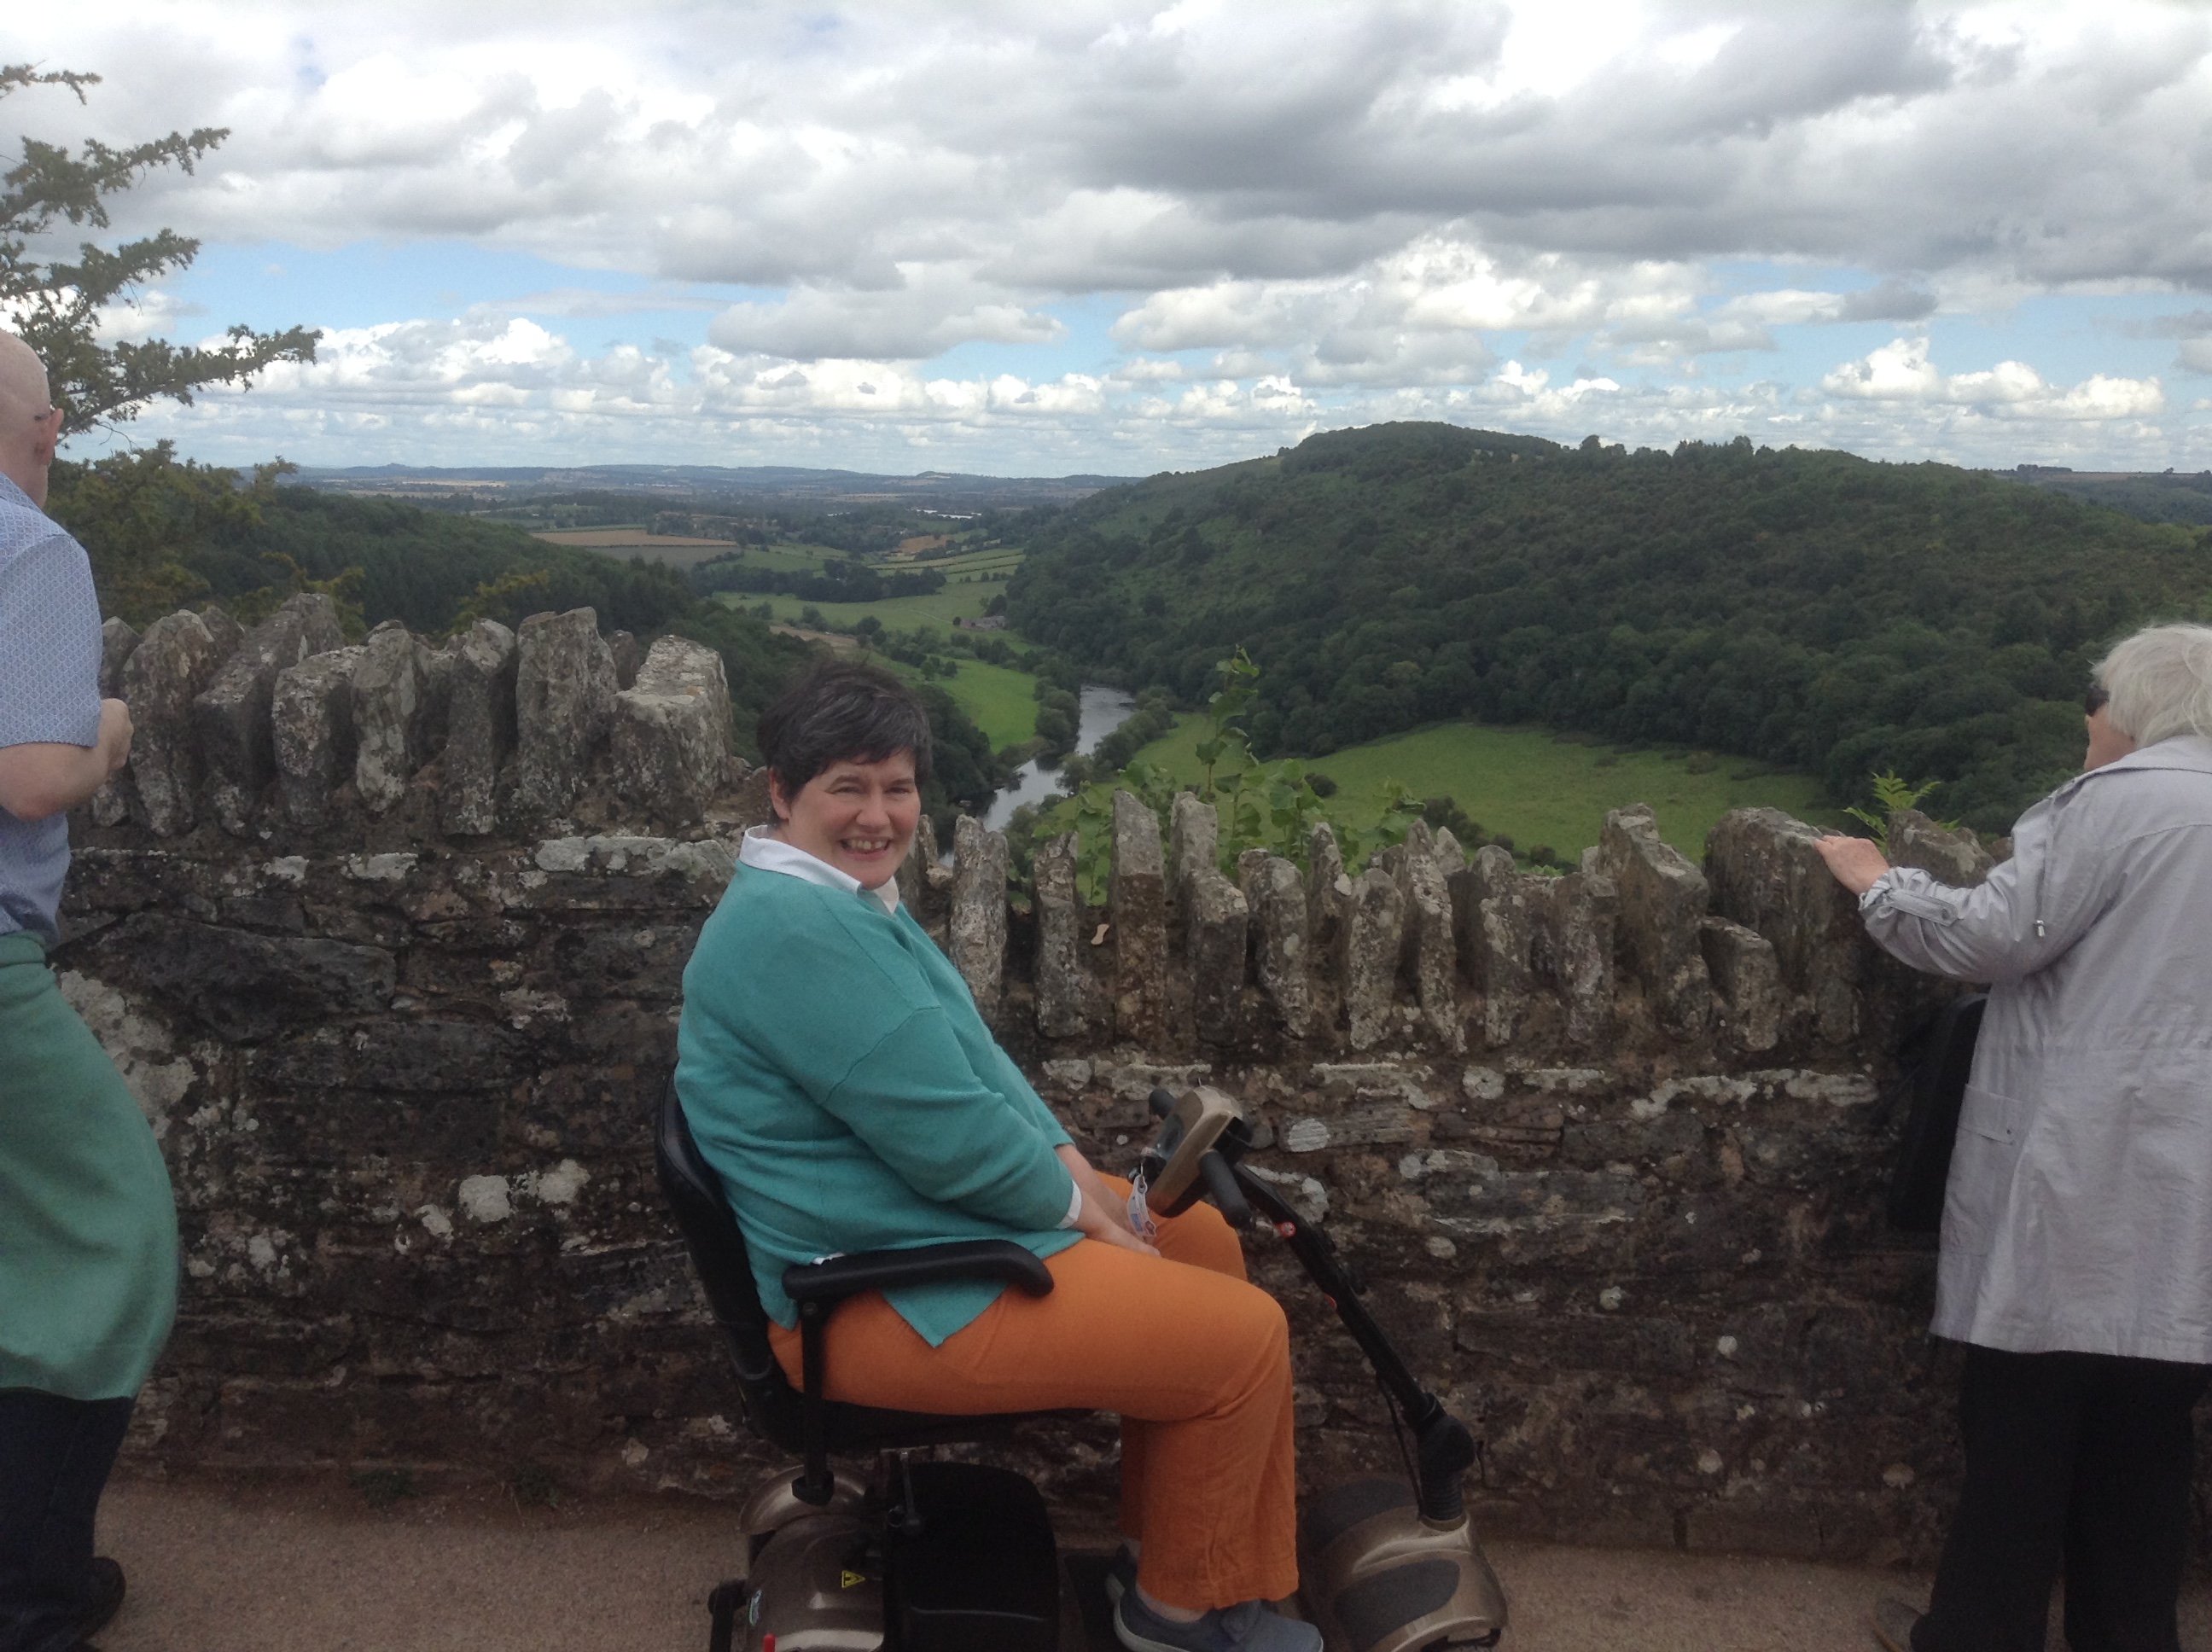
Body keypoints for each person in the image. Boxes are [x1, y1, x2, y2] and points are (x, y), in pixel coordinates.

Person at [676, 660, 1317, 1652]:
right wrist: (1087, 1215)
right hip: (871, 1293)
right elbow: (953, 1144)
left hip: (910, 1232)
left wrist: (1077, 1172)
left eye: (897, 785)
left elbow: (977, 1066)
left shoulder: (845, 901)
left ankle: (1176, 1555)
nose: (878, 814)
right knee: (1242, 1340)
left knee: (1205, 1250)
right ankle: (1177, 1621)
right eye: (847, 786)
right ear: (781, 793)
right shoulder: (791, 931)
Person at [1813, 625, 2212, 1652]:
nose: (2088, 718)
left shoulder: (2118, 804)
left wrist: (1877, 883)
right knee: (2149, 1447)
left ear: (2130, 711)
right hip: (2188, 1192)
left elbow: (1988, 938)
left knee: (2023, 1430)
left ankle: (1977, 1634)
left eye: (2097, 699)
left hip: (2078, 1171)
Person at [0, 331, 180, 1652]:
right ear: (47, 427)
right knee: (109, 1233)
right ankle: (34, 1591)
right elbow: (33, 778)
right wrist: (109, 726)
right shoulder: (32, 548)